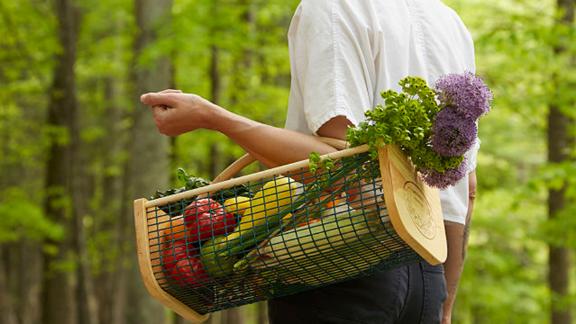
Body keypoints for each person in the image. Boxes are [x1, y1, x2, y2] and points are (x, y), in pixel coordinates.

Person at [140, 0, 479, 323]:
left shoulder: (332, 7)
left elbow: (345, 167)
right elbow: (465, 191)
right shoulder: (450, 25)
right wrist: (444, 305)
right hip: (427, 276)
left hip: (341, 260)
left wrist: (214, 118)